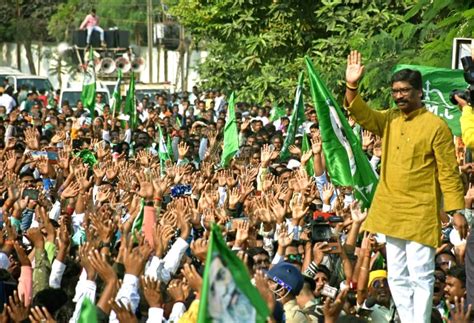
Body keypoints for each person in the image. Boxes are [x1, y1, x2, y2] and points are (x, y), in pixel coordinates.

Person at [344, 50, 468, 322]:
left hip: (420, 212)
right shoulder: (389, 119)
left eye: (405, 91)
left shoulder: (436, 126)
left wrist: (457, 210)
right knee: (397, 274)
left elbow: (448, 171)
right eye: (395, 91)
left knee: (421, 273)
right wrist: (352, 84)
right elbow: (360, 113)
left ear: (419, 92)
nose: (399, 96)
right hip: (390, 209)